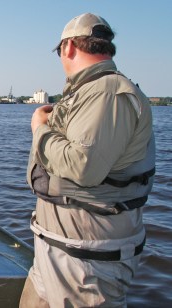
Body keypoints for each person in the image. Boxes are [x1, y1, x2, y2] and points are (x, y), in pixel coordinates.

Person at [21, 13, 155, 307]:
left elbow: (84, 166)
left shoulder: (107, 93)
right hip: (57, 247)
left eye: (59, 52)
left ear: (68, 47)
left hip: (85, 263)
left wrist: (39, 129)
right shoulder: (88, 92)